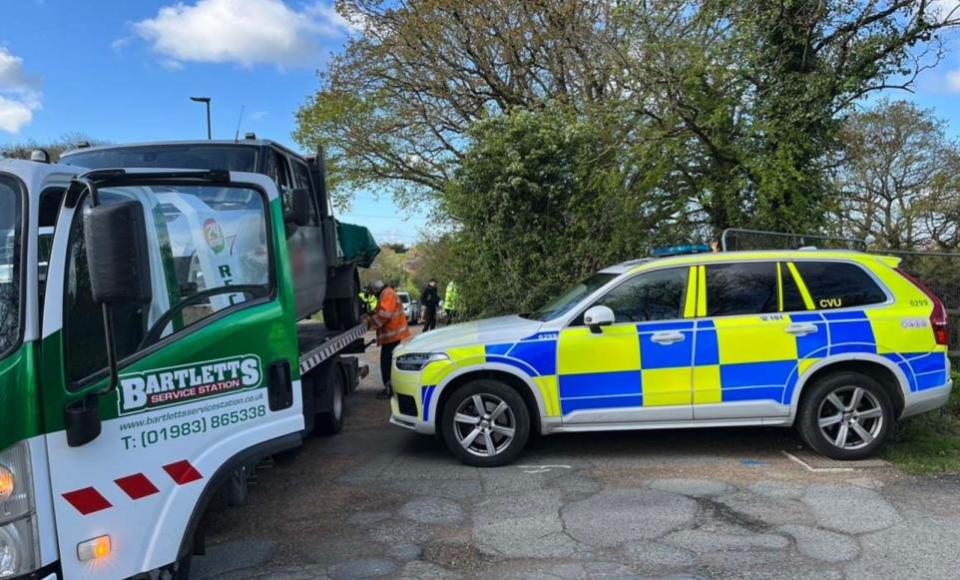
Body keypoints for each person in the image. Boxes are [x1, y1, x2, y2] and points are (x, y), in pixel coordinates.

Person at [367, 279, 411, 399]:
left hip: (392, 335)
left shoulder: (387, 294)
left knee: (386, 364)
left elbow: (384, 315)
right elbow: (380, 310)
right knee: (388, 363)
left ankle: (389, 390)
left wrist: (369, 321)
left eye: (372, 292)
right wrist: (371, 314)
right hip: (392, 335)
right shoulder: (386, 293)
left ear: (376, 289)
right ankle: (390, 388)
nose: (372, 295)